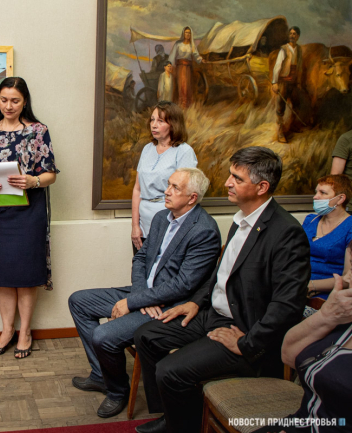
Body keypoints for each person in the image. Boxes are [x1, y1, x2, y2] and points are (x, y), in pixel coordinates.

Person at [133, 147, 311, 433]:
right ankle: (173, 414)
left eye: (237, 179)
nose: (227, 183)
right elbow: (220, 275)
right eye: (231, 175)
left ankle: (182, 425)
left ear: (262, 187)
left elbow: (287, 306)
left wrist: (246, 344)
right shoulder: (241, 220)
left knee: (170, 370)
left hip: (242, 329)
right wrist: (196, 302)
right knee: (147, 335)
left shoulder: (286, 233)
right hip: (211, 313)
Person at [68, 168, 221, 418]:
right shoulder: (162, 217)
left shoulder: (204, 230)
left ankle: (117, 392)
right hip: (144, 294)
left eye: (175, 188)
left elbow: (183, 285)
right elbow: (140, 258)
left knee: (103, 336)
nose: (166, 191)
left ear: (192, 198)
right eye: (168, 184)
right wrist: (138, 297)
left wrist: (134, 301)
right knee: (79, 301)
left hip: (169, 306)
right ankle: (101, 375)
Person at [0, 77, 59, 359]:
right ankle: (7, 330)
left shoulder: (38, 131)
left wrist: (32, 181)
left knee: (25, 275)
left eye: (15, 100)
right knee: (3, 275)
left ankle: (25, 332)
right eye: (4, 100)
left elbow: (51, 174)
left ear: (24, 102)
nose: (8, 106)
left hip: (28, 214)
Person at [252, 274, 352, 433]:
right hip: (302, 422)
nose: (348, 277)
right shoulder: (344, 317)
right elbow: (289, 356)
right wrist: (326, 316)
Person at [131, 101, 197, 255]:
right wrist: (135, 226)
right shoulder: (147, 149)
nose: (154, 125)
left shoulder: (184, 151)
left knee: (162, 268)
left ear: (173, 124)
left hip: (169, 223)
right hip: (143, 224)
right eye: (152, 120)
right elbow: (137, 189)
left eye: (160, 121)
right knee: (140, 266)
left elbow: (185, 193)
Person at [302, 175, 352, 300]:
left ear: (340, 199)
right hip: (297, 284)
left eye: (323, 193)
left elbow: (348, 279)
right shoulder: (310, 221)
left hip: (328, 294)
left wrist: (311, 286)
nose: (315, 197)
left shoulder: (349, 227)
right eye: (316, 192)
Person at [271, 26, 302, 143]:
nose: (292, 36)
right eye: (291, 34)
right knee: (281, 107)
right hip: (284, 81)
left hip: (294, 82)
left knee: (296, 104)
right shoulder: (284, 49)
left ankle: (292, 126)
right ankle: (280, 132)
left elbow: (299, 66)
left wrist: (298, 81)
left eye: (294, 34)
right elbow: (277, 66)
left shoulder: (299, 49)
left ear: (298, 36)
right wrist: (275, 82)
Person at [168, 26, 203, 108]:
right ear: (183, 34)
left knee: (188, 86)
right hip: (180, 67)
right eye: (186, 33)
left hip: (188, 68)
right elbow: (172, 55)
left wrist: (201, 59)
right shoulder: (178, 44)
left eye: (189, 33)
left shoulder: (191, 45)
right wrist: (170, 66)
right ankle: (181, 104)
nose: (187, 34)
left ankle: (188, 105)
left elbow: (196, 55)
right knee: (181, 85)